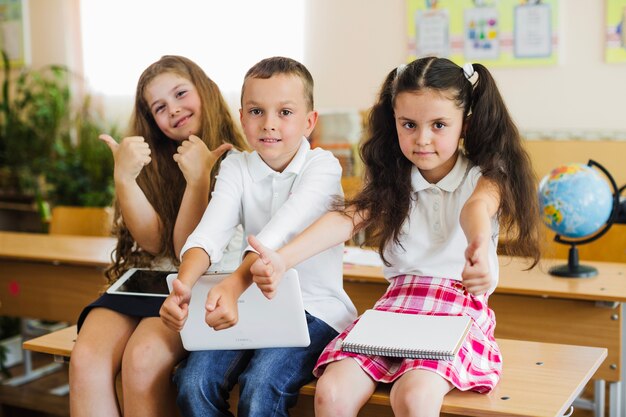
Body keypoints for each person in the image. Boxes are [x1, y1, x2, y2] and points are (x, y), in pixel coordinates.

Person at [248, 57, 542, 417]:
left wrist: (479, 245)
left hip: (456, 308)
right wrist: (282, 259)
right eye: (409, 124)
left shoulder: (487, 174)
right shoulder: (392, 178)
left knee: (414, 397)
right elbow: (345, 219)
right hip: (395, 306)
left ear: (465, 125)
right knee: (331, 391)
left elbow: (477, 208)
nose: (422, 139)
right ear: (394, 122)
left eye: (438, 125)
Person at [159, 56, 357, 417]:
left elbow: (277, 234)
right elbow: (209, 232)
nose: (269, 125)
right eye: (256, 111)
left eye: (285, 112)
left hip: (317, 310)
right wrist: (183, 287)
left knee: (261, 387)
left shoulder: (323, 166)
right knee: (192, 383)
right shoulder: (236, 166)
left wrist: (234, 286)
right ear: (241, 116)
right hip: (251, 307)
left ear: (309, 121)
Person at [69, 55, 249, 417]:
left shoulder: (239, 162)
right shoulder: (154, 161)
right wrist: (125, 179)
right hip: (148, 281)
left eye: (181, 93)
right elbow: (151, 242)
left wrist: (198, 180)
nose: (174, 110)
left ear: (207, 91)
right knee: (86, 358)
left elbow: (188, 252)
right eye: (159, 107)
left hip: (195, 285)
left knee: (142, 358)